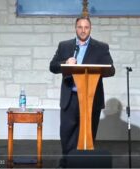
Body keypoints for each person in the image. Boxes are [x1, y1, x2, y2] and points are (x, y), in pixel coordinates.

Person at [49, 16, 115, 167]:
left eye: (86, 27)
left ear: (90, 29)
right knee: (67, 133)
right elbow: (52, 66)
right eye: (80, 27)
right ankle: (67, 163)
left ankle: (84, 163)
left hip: (91, 99)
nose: (83, 30)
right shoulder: (64, 46)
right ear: (75, 28)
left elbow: (111, 70)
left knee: (88, 133)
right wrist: (65, 63)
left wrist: (97, 68)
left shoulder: (101, 47)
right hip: (70, 97)